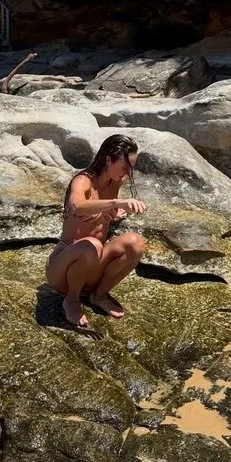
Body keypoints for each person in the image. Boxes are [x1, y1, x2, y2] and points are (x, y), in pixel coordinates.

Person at [46, 134, 147, 328]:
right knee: (91, 245)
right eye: (125, 167)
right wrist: (116, 203)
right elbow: (76, 206)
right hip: (63, 269)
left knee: (136, 243)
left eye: (131, 167)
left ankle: (98, 295)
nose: (128, 173)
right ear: (108, 159)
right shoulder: (83, 181)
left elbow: (99, 215)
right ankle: (71, 299)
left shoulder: (115, 181)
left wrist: (114, 213)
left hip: (94, 265)